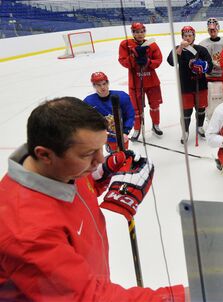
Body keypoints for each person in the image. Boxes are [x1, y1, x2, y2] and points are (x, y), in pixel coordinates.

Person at [0, 97, 186, 301]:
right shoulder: (27, 233)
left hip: (90, 278)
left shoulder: (61, 169)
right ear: (44, 155)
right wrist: (177, 297)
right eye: (89, 153)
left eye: (101, 149)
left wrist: (105, 175)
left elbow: (77, 193)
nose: (99, 160)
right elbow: (87, 297)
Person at [167, 25, 213, 144]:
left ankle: (199, 127)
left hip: (200, 84)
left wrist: (203, 66)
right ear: (182, 37)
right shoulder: (178, 48)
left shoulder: (201, 49)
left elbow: (210, 66)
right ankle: (185, 131)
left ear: (194, 36)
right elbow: (171, 62)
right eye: (185, 35)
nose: (188, 38)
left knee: (201, 108)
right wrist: (180, 49)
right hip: (185, 86)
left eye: (190, 35)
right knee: (186, 110)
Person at [118, 22, 164, 141]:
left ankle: (156, 125)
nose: (140, 34)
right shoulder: (125, 45)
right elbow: (123, 62)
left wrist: (148, 61)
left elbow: (158, 60)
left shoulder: (152, 45)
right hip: (135, 83)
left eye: (142, 31)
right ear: (132, 33)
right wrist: (134, 57)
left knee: (155, 106)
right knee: (136, 109)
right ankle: (137, 128)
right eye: (137, 32)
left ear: (145, 32)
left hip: (152, 82)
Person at [84, 71, 135, 152]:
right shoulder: (89, 101)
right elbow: (85, 120)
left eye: (104, 84)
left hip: (121, 136)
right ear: (94, 86)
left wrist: (125, 131)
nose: (102, 87)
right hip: (102, 136)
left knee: (122, 156)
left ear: (108, 83)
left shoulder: (122, 96)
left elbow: (130, 115)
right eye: (99, 85)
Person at [199, 17, 223, 123]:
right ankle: (212, 122)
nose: (212, 32)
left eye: (214, 29)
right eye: (210, 30)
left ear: (218, 28)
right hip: (210, 78)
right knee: (212, 103)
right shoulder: (203, 44)